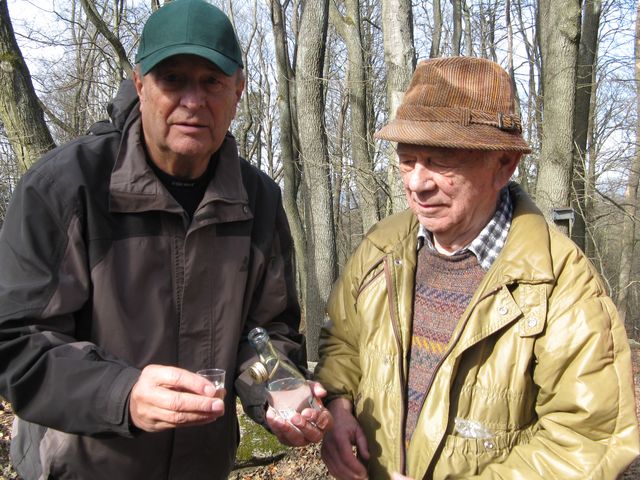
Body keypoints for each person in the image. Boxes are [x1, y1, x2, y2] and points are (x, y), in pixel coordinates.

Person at [0, 1, 330, 478]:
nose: (193, 101)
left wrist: (276, 392)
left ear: (237, 91)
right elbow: (17, 342)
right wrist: (122, 394)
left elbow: (267, 332)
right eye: (172, 79)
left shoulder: (257, 198)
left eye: (211, 81)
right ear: (140, 85)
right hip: (82, 468)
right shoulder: (66, 187)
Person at [315, 56, 640, 480]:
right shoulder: (381, 247)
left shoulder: (561, 283)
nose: (416, 183)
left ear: (504, 164)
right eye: (407, 159)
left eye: (441, 160)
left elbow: (586, 439)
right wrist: (338, 406)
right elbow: (343, 340)